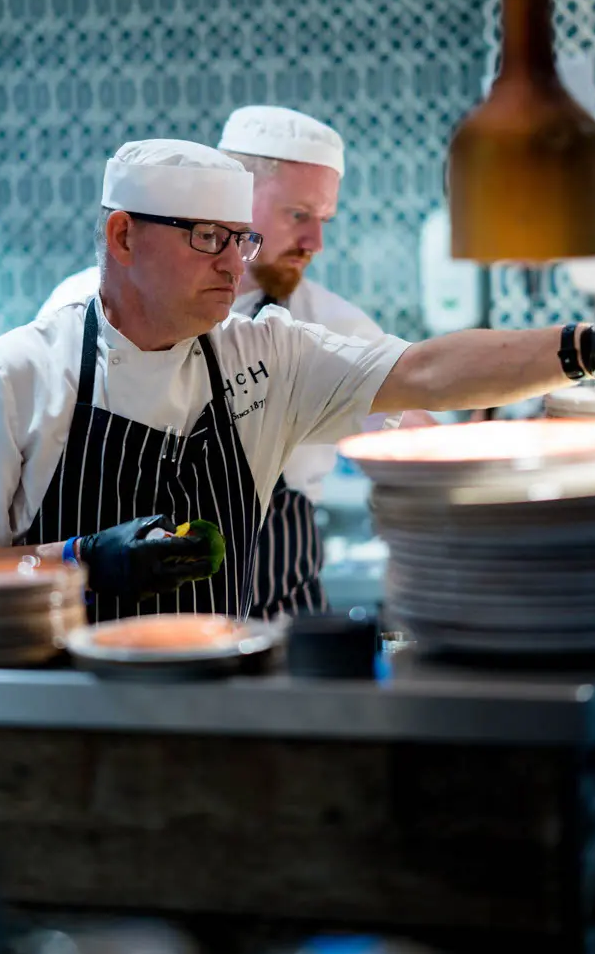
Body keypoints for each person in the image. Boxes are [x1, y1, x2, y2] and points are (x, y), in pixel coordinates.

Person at [0, 138, 595, 624]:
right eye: (208, 239)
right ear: (122, 236)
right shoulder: (12, 373)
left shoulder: (263, 355)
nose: (232, 264)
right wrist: (77, 558)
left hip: (220, 702)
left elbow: (427, 369)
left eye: (239, 241)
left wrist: (583, 344)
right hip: (57, 713)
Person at [37, 107, 436, 617]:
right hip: (118, 623)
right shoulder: (78, 312)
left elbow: (414, 425)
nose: (316, 242)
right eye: (299, 215)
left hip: (275, 616)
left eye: (323, 220)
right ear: (237, 197)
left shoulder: (330, 323)